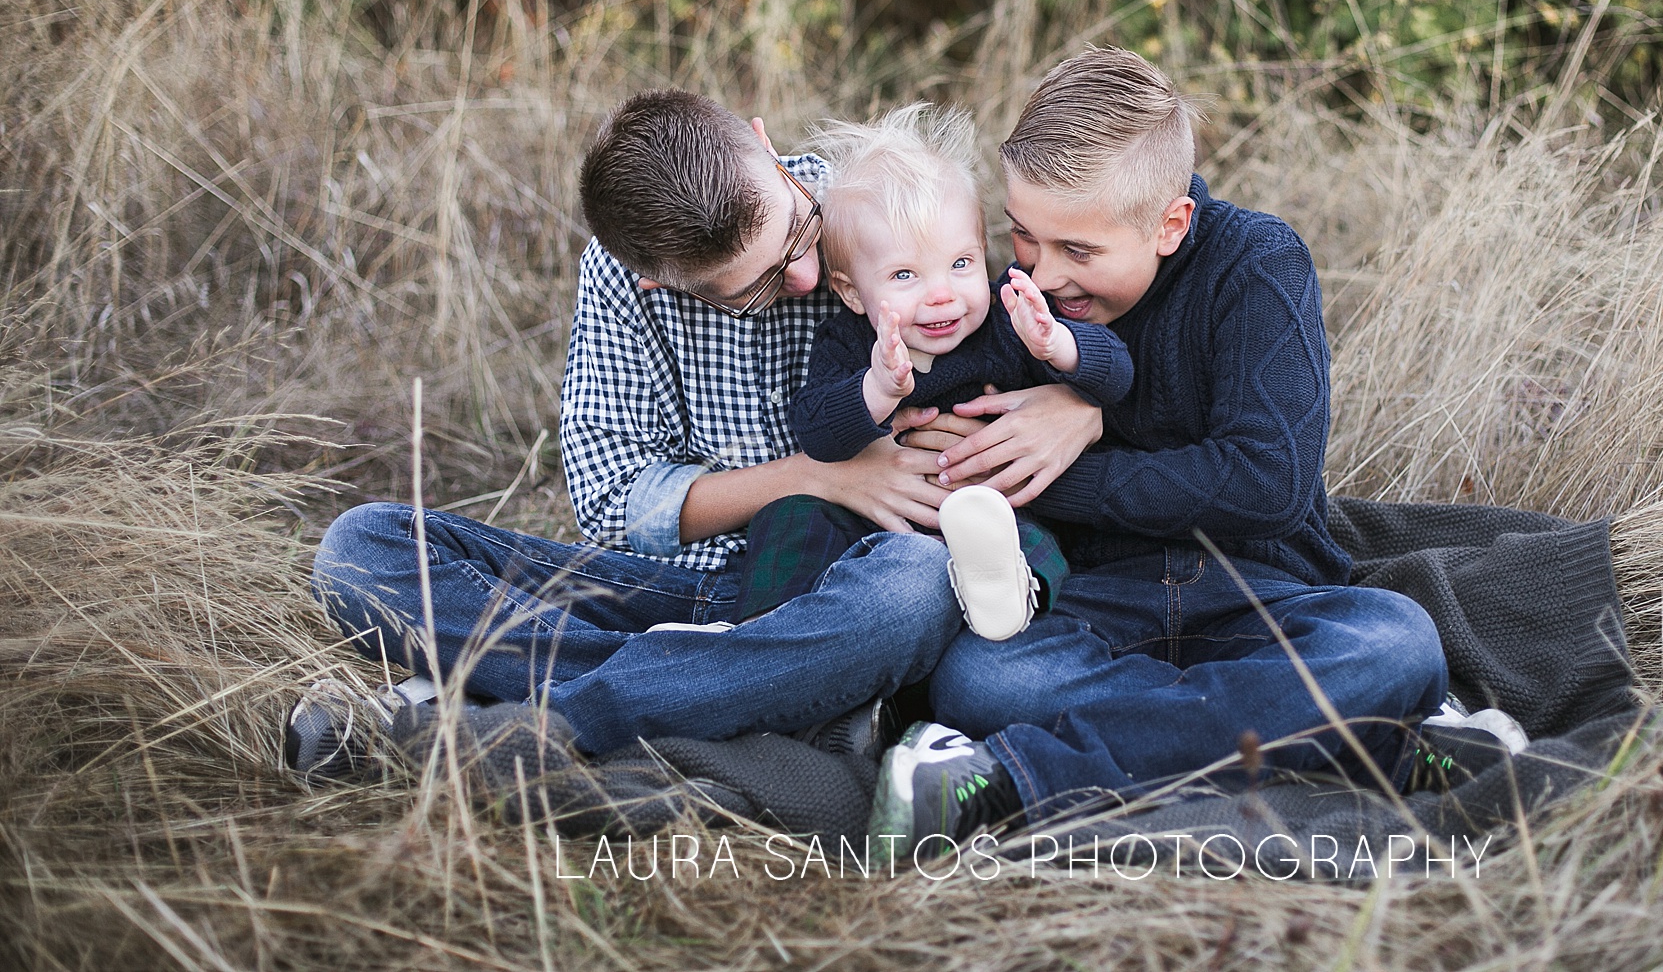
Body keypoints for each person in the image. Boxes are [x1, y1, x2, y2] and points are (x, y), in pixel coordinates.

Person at [289, 90, 1102, 773]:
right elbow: (612, 497)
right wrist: (815, 475)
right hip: (685, 591)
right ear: (659, 279)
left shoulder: (877, 207)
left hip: (848, 577)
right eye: (752, 288)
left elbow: (1062, 300)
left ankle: (544, 717)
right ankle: (724, 689)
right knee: (362, 547)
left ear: (761, 145)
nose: (808, 277)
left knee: (915, 587)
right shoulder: (625, 283)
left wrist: (1083, 404)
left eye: (794, 233)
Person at [867, 48, 1452, 851]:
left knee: (1397, 641)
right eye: (1024, 237)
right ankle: (1365, 738)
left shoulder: (1257, 264)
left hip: (1262, 593)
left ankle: (1014, 777)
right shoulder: (1016, 293)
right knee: (980, 678)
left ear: (1169, 224)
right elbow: (945, 426)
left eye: (1080, 251)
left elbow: (1267, 481)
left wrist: (1064, 456)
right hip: (1102, 602)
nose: (1044, 273)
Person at [741, 104, 1133, 638]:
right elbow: (815, 433)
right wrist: (876, 389)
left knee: (1033, 532)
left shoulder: (1008, 316)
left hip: (988, 507)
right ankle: (762, 631)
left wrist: (1059, 345)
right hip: (876, 512)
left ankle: (1013, 595)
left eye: (961, 263)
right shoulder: (851, 342)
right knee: (790, 517)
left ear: (985, 253)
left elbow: (1118, 375)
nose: (942, 293)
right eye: (906, 274)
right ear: (853, 292)